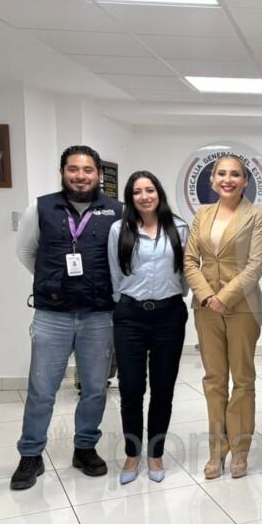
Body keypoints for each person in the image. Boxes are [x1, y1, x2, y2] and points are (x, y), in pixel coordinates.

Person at [11, 145, 122, 490]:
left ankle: (85, 448)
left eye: (88, 170)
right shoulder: (41, 207)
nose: (80, 176)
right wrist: (52, 281)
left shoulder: (116, 210)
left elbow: (123, 257)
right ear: (62, 172)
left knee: (95, 388)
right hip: (52, 314)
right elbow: (26, 252)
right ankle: (31, 454)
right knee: (42, 389)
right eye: (73, 169)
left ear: (98, 174)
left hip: (98, 315)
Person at [183, 155, 262, 480]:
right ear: (212, 180)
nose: (228, 179)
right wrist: (208, 296)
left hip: (243, 307)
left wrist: (225, 297)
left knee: (243, 380)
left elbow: (256, 264)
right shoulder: (202, 214)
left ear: (245, 181)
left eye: (235, 174)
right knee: (214, 380)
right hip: (206, 308)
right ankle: (216, 450)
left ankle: (240, 449)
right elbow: (190, 261)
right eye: (221, 173)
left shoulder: (258, 216)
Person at [108, 171, 189, 484]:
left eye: (150, 190)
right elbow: (115, 274)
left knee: (163, 388)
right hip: (130, 316)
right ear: (130, 197)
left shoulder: (179, 228)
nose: (144, 196)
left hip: (169, 315)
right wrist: (123, 304)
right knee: (131, 389)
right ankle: (132, 453)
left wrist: (175, 295)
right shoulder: (119, 230)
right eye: (137, 191)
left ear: (159, 193)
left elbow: (186, 272)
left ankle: (155, 454)